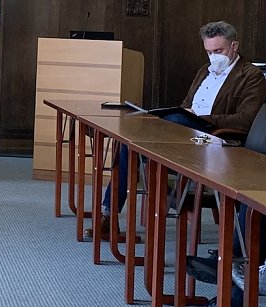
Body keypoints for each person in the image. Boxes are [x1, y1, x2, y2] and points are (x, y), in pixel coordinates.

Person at [87, 21, 266, 239]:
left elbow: (247, 120)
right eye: (209, 52)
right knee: (128, 140)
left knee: (173, 120)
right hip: (185, 131)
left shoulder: (251, 76)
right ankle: (108, 214)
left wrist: (199, 118)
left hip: (215, 139)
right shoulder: (205, 71)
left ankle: (118, 209)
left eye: (218, 51)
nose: (213, 57)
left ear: (234, 46)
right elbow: (186, 105)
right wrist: (185, 115)